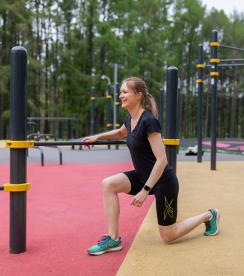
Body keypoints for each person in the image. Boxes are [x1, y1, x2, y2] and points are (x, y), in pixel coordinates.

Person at [83, 77, 219, 256]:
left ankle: (209, 215)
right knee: (108, 184)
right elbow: (119, 133)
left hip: (163, 181)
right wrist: (97, 137)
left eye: (125, 92)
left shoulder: (148, 121)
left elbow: (162, 160)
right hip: (142, 176)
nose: (120, 95)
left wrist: (145, 190)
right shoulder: (130, 118)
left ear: (138, 95)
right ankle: (113, 238)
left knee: (168, 236)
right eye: (121, 92)